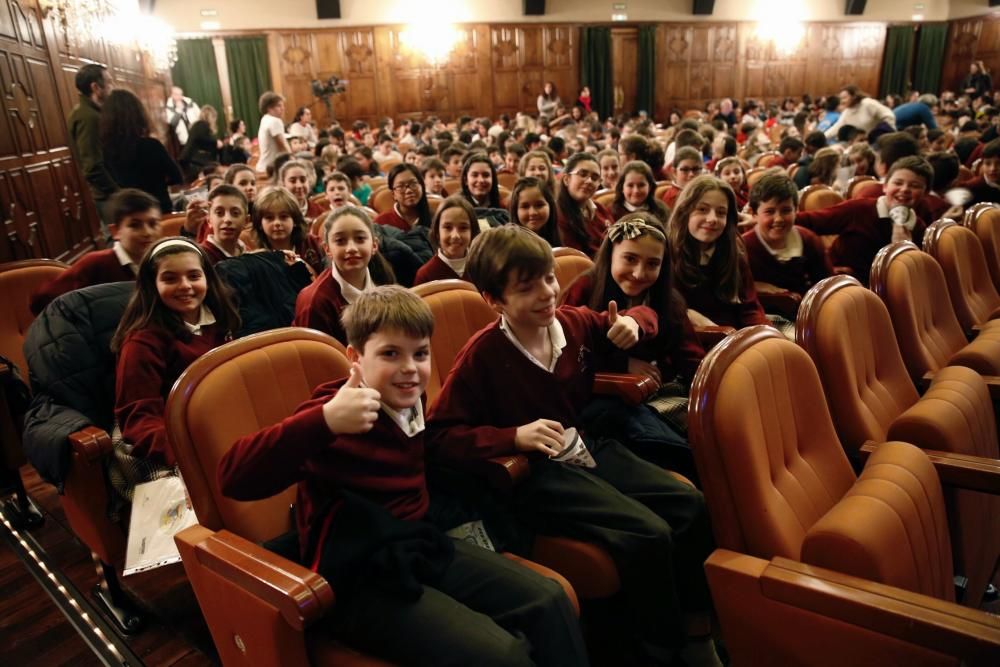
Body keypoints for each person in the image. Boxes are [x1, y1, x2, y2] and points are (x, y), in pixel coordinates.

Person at [218, 286, 588, 666]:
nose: (410, 368)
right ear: (355, 358)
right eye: (390, 354)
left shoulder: (412, 397)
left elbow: (434, 450)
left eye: (421, 354)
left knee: (548, 600)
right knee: (502, 655)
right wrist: (324, 420)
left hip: (416, 543)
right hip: (358, 573)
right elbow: (233, 476)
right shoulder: (336, 412)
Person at [427, 225, 721, 666]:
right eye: (528, 287)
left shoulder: (571, 321)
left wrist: (631, 323)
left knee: (689, 502)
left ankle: (698, 627)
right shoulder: (482, 355)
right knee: (648, 530)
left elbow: (639, 318)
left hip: (584, 444)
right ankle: (660, 646)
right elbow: (440, 436)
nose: (547, 293)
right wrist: (513, 436)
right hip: (535, 470)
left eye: (549, 278)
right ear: (495, 300)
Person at [111, 237, 240, 473]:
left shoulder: (220, 319)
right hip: (171, 442)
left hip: (220, 425)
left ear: (207, 279)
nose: (185, 286)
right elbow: (140, 418)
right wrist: (186, 457)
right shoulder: (142, 341)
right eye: (170, 278)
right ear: (152, 284)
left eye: (193, 276)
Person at [795, 156, 932, 284]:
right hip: (843, 284)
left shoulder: (918, 227)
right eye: (898, 183)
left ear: (925, 193)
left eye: (914, 186)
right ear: (885, 186)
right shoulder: (859, 209)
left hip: (886, 289)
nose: (904, 189)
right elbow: (812, 221)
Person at [30, 189, 160, 315]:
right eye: (135, 225)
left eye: (153, 224)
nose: (147, 232)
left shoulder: (160, 261)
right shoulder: (96, 263)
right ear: (115, 231)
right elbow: (42, 300)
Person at [668, 175, 767, 329]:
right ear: (685, 211)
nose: (712, 219)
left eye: (721, 213)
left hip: (736, 336)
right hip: (698, 341)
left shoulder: (735, 253)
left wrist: (762, 335)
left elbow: (749, 309)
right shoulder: (667, 255)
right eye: (702, 209)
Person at [293, 206, 395, 344]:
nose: (351, 248)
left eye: (360, 239)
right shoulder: (315, 301)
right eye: (340, 241)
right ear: (327, 249)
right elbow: (316, 360)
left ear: (374, 245)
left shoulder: (383, 279)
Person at [742, 171, 832, 299]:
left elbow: (827, 285)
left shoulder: (809, 240)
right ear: (754, 214)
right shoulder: (743, 249)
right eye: (769, 211)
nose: (778, 219)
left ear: (796, 210)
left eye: (786, 210)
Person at [99, 89, 182, 214]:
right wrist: (159, 182)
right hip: (157, 211)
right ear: (138, 115)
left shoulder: (106, 152)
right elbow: (177, 177)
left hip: (128, 215)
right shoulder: (151, 145)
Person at [68, 63, 117, 234]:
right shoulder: (88, 117)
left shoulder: (91, 113)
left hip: (109, 193)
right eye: (109, 82)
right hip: (108, 195)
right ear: (96, 87)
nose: (113, 87)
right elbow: (93, 166)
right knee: (117, 241)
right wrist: (119, 192)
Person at [251, 186, 326, 276]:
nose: (277, 223)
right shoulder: (257, 255)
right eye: (269, 218)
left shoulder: (314, 243)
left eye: (283, 217)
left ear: (295, 220)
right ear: (259, 223)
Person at [556, 152, 615, 255]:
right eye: (582, 174)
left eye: (595, 177)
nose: (589, 181)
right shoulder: (558, 214)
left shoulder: (599, 208)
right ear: (566, 179)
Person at [413, 196, 480, 285]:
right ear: (437, 232)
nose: (455, 235)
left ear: (472, 231)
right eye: (448, 227)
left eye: (463, 228)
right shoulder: (425, 275)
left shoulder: (482, 268)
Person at [198, 184, 248, 265]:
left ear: (246, 221)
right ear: (209, 220)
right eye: (219, 213)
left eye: (235, 213)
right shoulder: (200, 257)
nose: (227, 219)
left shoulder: (249, 254)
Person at [824, 85, 896, 140]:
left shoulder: (868, 103)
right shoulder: (846, 112)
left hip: (880, 139)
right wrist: (822, 138)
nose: (842, 101)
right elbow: (836, 128)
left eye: (845, 98)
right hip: (863, 142)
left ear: (854, 96)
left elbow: (889, 115)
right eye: (841, 99)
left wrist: (887, 133)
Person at [374, 164, 433, 231]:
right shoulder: (381, 222)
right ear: (393, 194)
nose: (408, 190)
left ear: (422, 186)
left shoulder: (435, 218)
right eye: (401, 186)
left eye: (413, 184)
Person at [509, 176, 560, 246]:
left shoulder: (561, 236)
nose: (533, 212)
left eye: (539, 205)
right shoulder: (509, 245)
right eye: (525, 206)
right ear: (515, 210)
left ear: (550, 205)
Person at [181, 105, 222, 182]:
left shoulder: (197, 125)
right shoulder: (202, 125)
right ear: (210, 116)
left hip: (190, 160)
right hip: (194, 162)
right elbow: (203, 139)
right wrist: (216, 142)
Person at [256, 91, 290, 174]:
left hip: (262, 167)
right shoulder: (275, 121)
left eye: (282, 105)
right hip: (272, 168)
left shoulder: (265, 119)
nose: (283, 108)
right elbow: (282, 146)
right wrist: (293, 159)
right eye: (279, 106)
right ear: (269, 108)